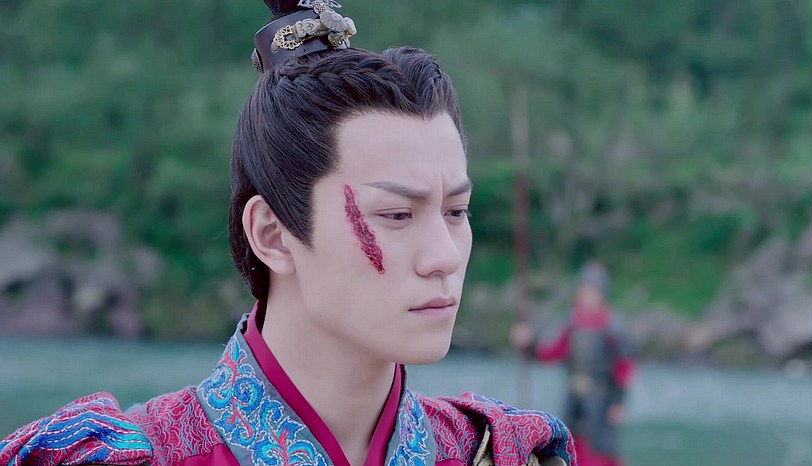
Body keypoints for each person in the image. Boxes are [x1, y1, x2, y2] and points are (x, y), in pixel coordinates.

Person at [0, 1, 575, 466]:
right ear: (272, 234)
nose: (444, 257)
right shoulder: (126, 457)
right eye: (397, 215)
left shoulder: (498, 452)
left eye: (456, 211)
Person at [511, 261, 635, 466]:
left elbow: (625, 368)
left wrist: (619, 402)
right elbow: (549, 354)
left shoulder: (613, 328)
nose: (586, 295)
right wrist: (528, 345)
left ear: (602, 293)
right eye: (584, 290)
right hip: (574, 402)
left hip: (601, 404)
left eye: (592, 290)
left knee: (601, 454)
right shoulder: (571, 325)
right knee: (570, 450)